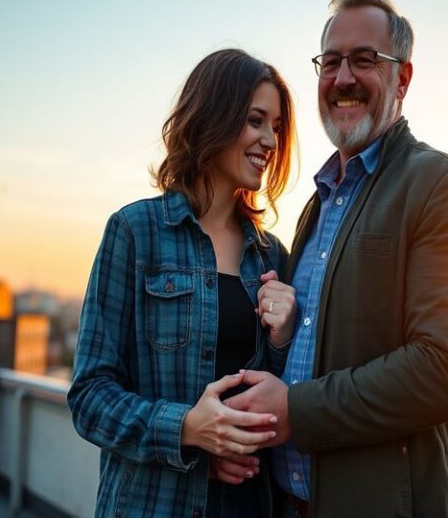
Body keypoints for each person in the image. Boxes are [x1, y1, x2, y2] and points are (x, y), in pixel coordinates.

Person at [218, 0, 448, 517]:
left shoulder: (445, 187)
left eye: (364, 60)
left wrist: (294, 411)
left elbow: (441, 373)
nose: (343, 78)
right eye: (331, 62)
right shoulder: (314, 210)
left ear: (402, 78)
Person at [67, 48, 298, 518]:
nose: (269, 139)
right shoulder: (135, 232)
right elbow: (89, 397)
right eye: (256, 120)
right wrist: (188, 430)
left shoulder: (271, 254)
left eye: (276, 126)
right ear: (214, 117)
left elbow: (283, 397)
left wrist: (283, 337)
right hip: (154, 506)